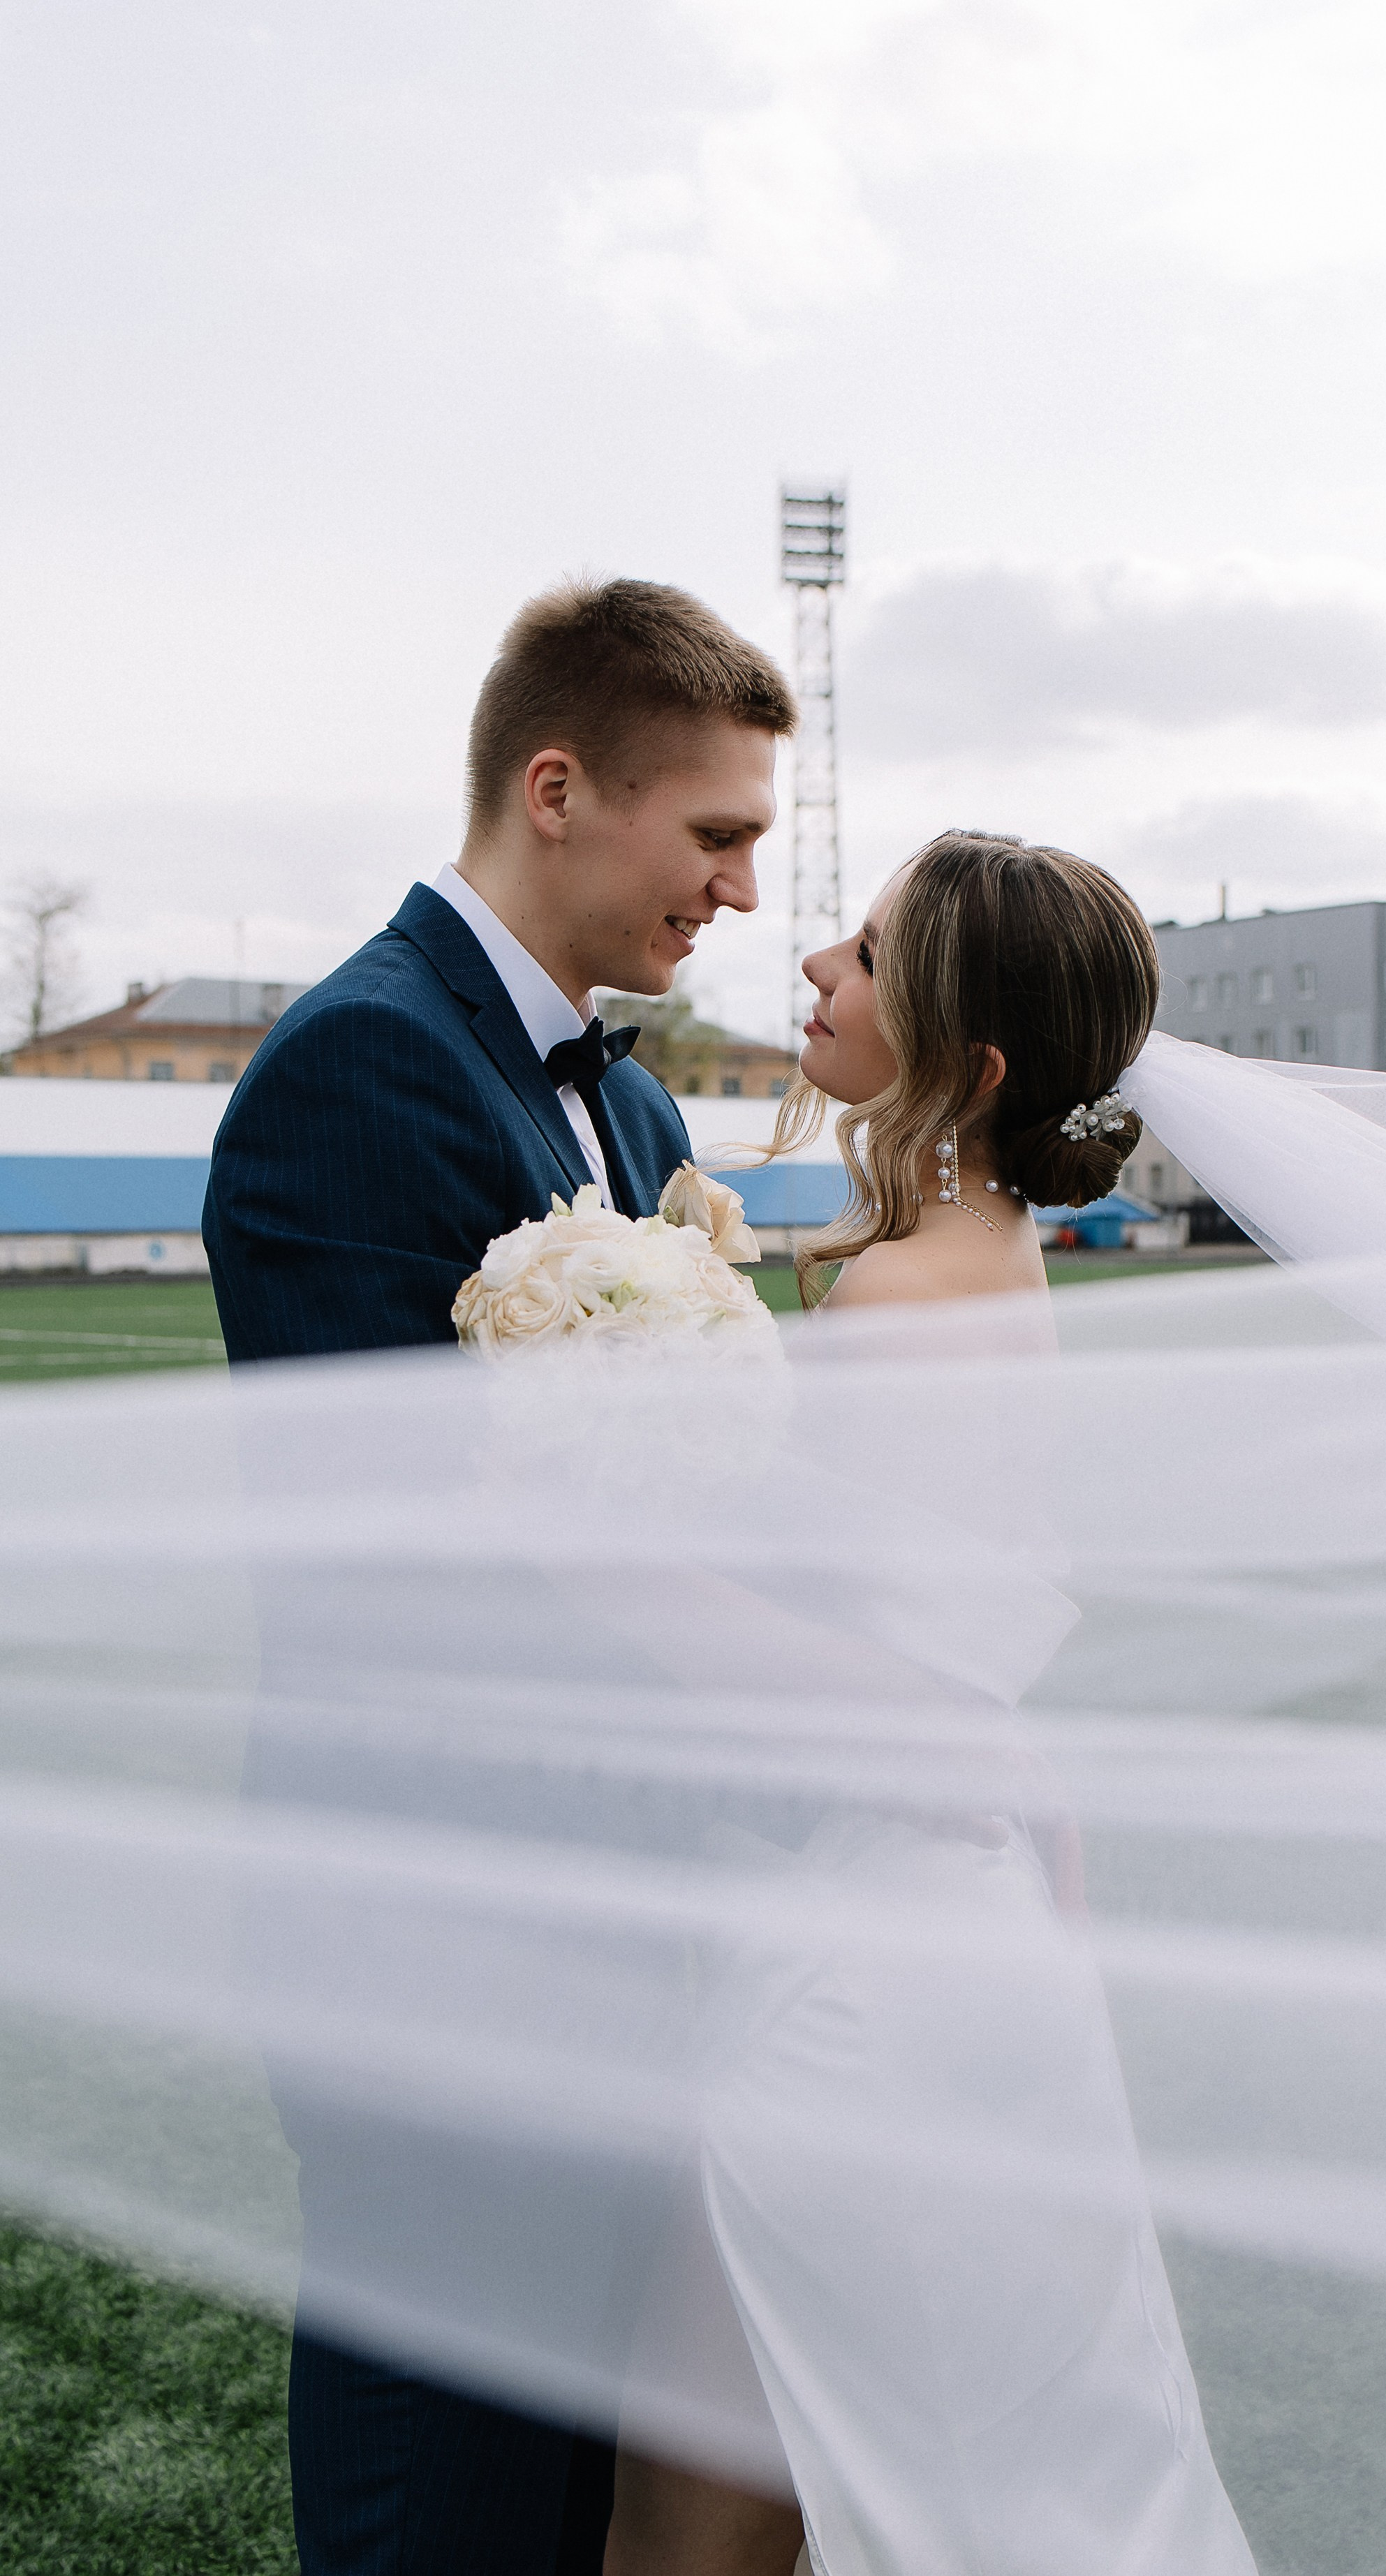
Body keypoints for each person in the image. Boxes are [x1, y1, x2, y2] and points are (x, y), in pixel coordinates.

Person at [202, 577, 796, 2575]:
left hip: (640, 1927)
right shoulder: (354, 1067)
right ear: (557, 786)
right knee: (441, 2521)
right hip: (440, 1952)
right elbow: (393, 1571)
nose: (733, 889)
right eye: (710, 834)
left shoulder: (629, 1105)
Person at [604, 833, 1257, 2576]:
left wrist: (588, 1516)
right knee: (789, 2485)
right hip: (911, 1925)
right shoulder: (963, 1258)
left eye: (871, 953)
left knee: (709, 2512)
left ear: (965, 1058)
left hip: (864, 1970)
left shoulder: (908, 1300)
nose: (818, 960)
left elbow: (872, 1698)